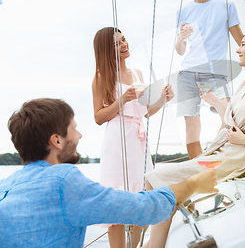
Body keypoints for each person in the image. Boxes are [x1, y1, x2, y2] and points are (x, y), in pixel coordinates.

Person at [0, 98, 217, 248]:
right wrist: (192, 184)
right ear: (56, 140)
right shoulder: (63, 181)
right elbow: (142, 209)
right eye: (74, 129)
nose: (80, 135)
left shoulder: (5, 187)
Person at [145, 31, 245, 248]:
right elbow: (230, 119)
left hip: (234, 156)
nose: (237, 49)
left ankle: (151, 244)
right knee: (161, 187)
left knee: (155, 176)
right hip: (221, 150)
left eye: (242, 44)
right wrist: (212, 100)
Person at [92, 27, 173, 247]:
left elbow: (144, 111)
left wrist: (162, 99)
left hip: (138, 141)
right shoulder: (101, 77)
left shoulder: (137, 74)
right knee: (116, 204)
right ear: (106, 50)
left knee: (141, 201)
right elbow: (99, 117)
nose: (124, 45)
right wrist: (122, 100)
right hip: (117, 143)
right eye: (117, 44)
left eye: (124, 39)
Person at [175, 0, 244, 159]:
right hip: (187, 72)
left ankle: (211, 157)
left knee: (229, 117)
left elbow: (240, 40)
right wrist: (179, 39)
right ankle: (197, 170)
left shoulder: (226, 5)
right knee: (192, 126)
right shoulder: (184, 11)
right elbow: (181, 50)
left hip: (215, 71)